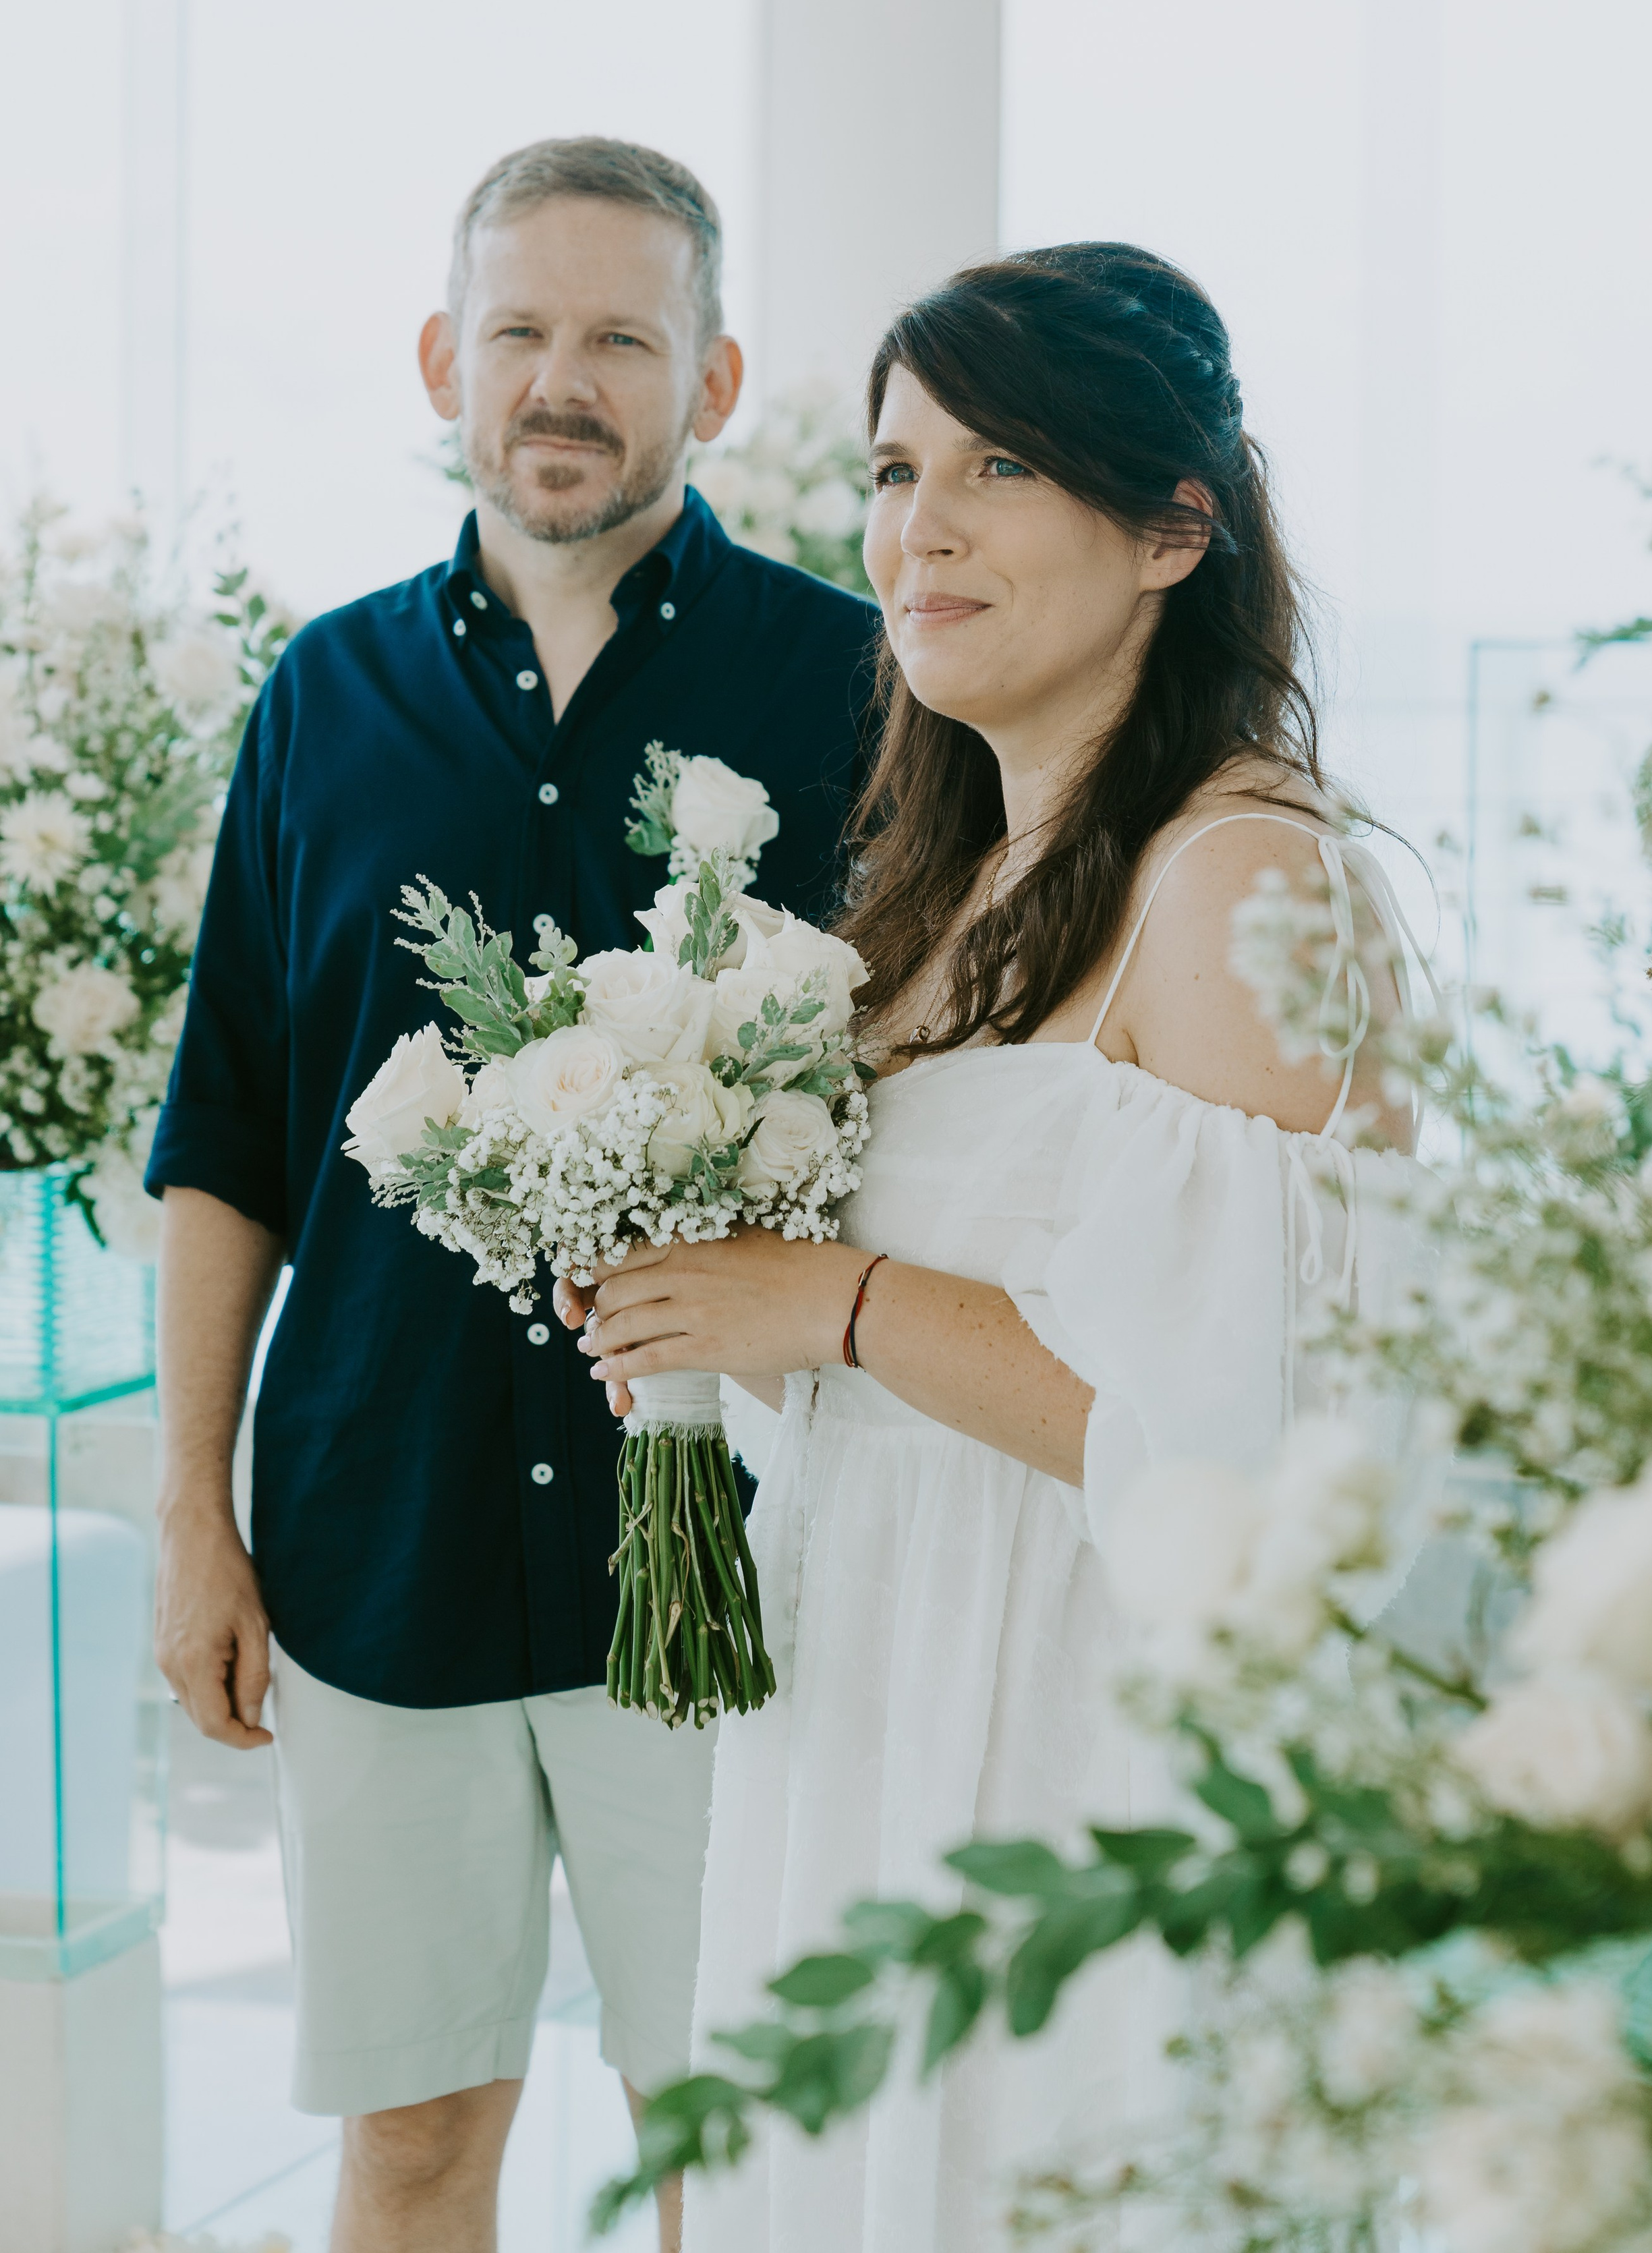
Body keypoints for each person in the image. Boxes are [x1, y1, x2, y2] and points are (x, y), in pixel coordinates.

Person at [562, 243, 1424, 2250]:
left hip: (1085, 1761)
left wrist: (842, 1304)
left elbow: (1292, 1466)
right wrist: (723, 1324)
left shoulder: (1252, 879)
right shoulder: (942, 898)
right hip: (880, 1705)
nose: (915, 531)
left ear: (1172, 529)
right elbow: (945, 1390)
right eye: (890, 470)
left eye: (997, 469)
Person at [147, 136, 877, 2253]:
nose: (563, 381)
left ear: (714, 380)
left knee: (733, 2157)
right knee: (412, 2145)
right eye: (522, 331)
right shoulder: (325, 697)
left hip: (739, 1565)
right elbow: (229, 1136)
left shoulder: (853, 686)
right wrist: (199, 1509)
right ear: (443, 357)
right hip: (386, 1534)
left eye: (622, 338)